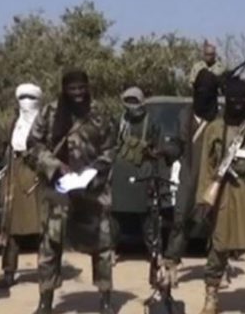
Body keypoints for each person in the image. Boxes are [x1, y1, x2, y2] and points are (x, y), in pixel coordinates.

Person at [26, 69, 117, 314]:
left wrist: (94, 171)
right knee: (49, 246)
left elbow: (110, 148)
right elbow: (33, 144)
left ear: (88, 87)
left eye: (81, 88)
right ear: (64, 90)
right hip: (58, 191)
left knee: (102, 246)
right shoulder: (50, 112)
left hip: (93, 192)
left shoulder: (100, 113)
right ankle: (45, 300)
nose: (77, 94)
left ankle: (105, 299)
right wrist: (54, 165)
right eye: (72, 89)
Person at [196, 76, 245, 314]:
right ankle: (211, 295)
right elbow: (207, 166)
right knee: (218, 248)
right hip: (224, 195)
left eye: (241, 99)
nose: (238, 104)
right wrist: (203, 199)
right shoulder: (214, 128)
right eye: (233, 100)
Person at [163, 70, 222, 288]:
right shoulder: (185, 115)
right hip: (189, 176)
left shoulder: (219, 119)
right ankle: (171, 265)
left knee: (216, 225)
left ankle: (216, 270)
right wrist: (166, 151)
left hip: (212, 178)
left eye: (208, 91)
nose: (203, 95)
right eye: (200, 90)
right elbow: (178, 144)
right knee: (180, 220)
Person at [0, 83, 44, 289]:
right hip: (14, 176)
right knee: (10, 228)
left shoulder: (45, 124)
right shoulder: (13, 123)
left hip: (38, 177)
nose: (26, 102)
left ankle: (46, 270)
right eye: (22, 98)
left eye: (31, 98)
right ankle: (9, 272)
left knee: (42, 227)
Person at [110, 86, 163, 248]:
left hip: (143, 169)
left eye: (135, 101)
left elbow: (158, 149)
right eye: (128, 101)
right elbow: (112, 145)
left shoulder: (152, 122)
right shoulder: (120, 121)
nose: (132, 105)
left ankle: (154, 250)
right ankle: (111, 249)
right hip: (121, 171)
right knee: (115, 214)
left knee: (147, 215)